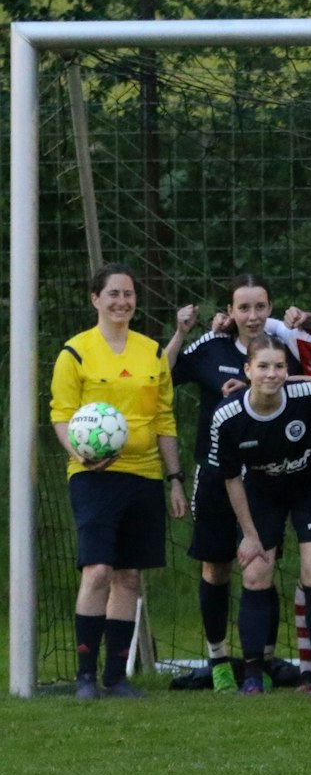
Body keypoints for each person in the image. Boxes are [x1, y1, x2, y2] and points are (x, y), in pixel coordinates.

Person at [51, 263, 186, 699]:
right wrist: (82, 455)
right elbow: (61, 416)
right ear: (95, 299)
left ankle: (116, 677)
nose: (121, 302)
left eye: (128, 294)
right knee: (98, 571)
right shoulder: (75, 353)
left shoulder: (151, 352)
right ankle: (85, 676)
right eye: (112, 294)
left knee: (128, 577)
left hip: (145, 476)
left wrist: (175, 479)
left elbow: (164, 418)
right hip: (94, 479)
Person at [208, 335, 311, 696]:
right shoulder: (228, 417)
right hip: (261, 494)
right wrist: (249, 536)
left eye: (279, 366)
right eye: (263, 366)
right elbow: (232, 479)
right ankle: (252, 676)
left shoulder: (309, 399)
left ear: (288, 370)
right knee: (255, 573)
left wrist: (304, 380)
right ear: (247, 370)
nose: (272, 374)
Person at [172, 273, 301, 691]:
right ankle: (218, 663)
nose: (251, 315)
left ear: (269, 309)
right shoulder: (210, 347)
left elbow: (303, 385)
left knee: (261, 565)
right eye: (243, 307)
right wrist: (180, 332)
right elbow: (162, 373)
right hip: (214, 475)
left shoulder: (280, 352)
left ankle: (261, 660)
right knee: (216, 566)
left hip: (266, 478)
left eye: (259, 307)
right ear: (229, 312)